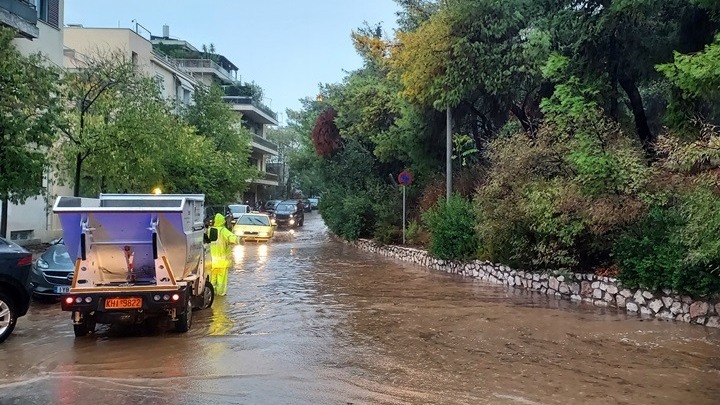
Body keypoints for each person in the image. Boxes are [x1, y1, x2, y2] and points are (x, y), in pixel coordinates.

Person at [207, 213, 241, 296]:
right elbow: (231, 237)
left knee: (212, 279)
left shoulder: (210, 230)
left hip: (211, 261)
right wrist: (239, 240)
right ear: (222, 221)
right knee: (221, 280)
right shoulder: (223, 230)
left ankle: (212, 294)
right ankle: (221, 294)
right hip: (221, 262)